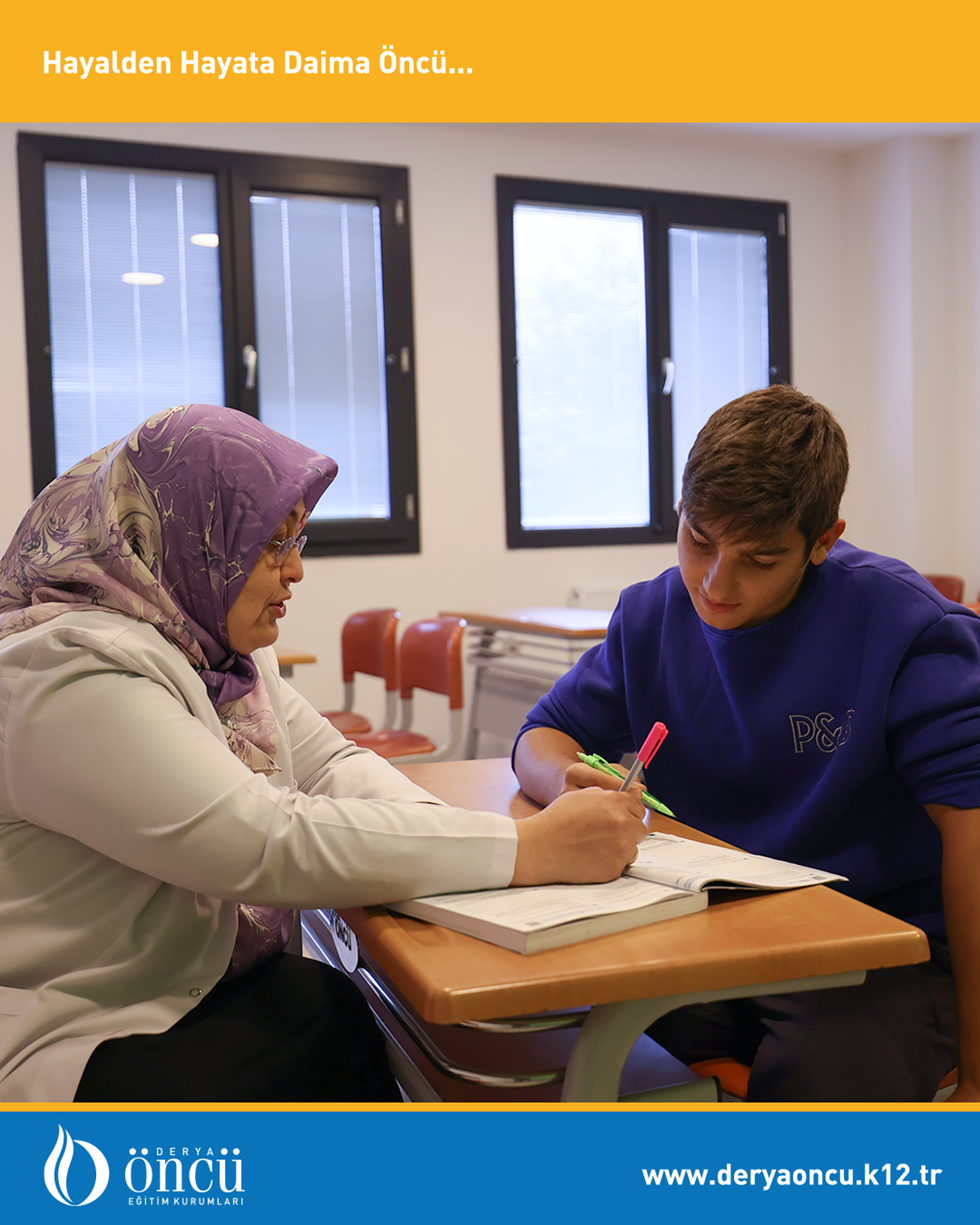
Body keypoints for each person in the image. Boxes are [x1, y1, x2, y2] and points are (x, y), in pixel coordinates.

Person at [0, 403, 646, 1103]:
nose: (297, 570)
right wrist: (527, 849)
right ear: (191, 543)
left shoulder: (215, 648)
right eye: (271, 545)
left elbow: (332, 765)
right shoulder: (67, 671)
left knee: (344, 1018)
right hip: (94, 1024)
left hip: (194, 980)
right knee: (346, 1042)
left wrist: (469, 845)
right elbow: (263, 840)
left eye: (296, 538)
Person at [514, 384, 980, 1103]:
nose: (715, 582)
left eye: (759, 559)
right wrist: (563, 781)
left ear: (823, 541)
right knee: (569, 1025)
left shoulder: (905, 629)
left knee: (828, 1080)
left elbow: (971, 832)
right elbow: (540, 734)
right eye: (700, 540)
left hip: (879, 942)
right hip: (716, 927)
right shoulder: (651, 615)